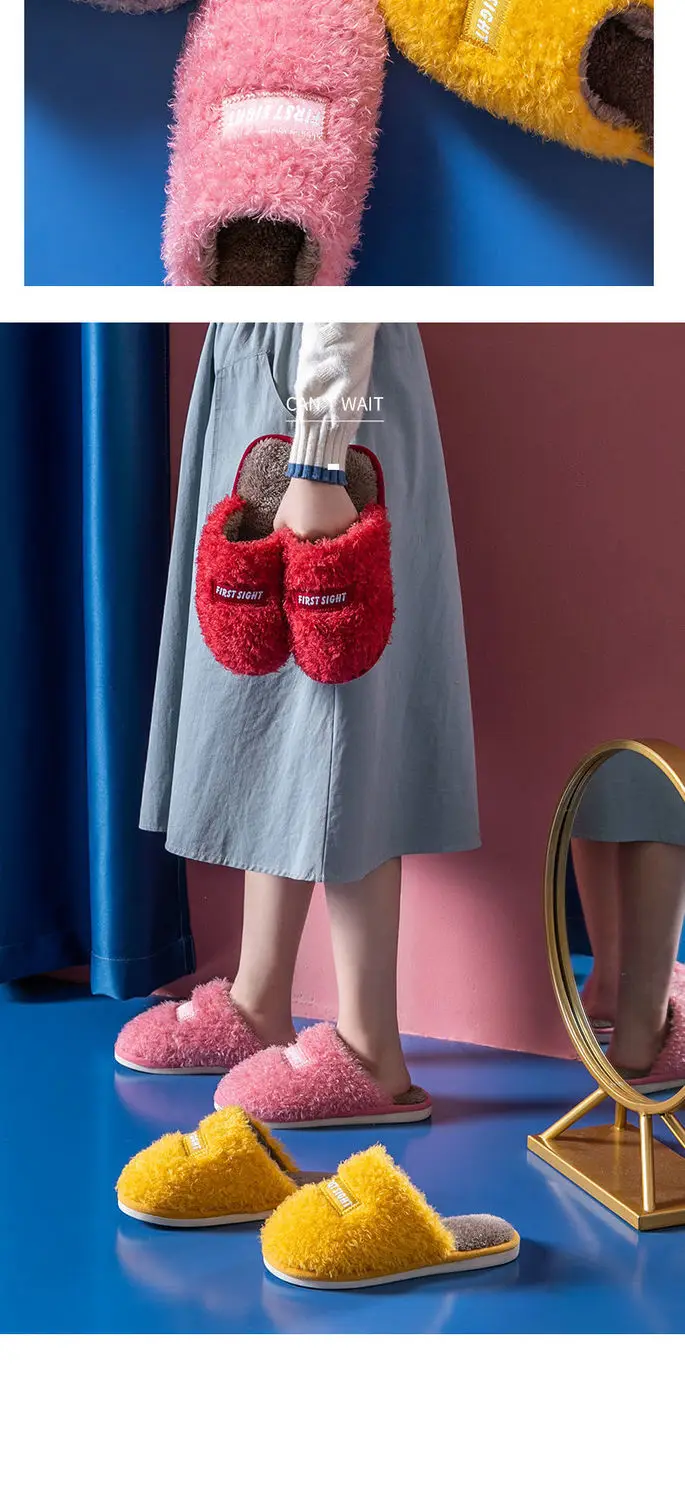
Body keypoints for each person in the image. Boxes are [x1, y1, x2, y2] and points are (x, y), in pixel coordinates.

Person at [115, 323, 480, 1125]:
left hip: (322, 391)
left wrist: (319, 459)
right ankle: (258, 1001)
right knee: (273, 701)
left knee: (338, 701)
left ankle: (373, 1054)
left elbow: (339, 292)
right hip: (268, 377)